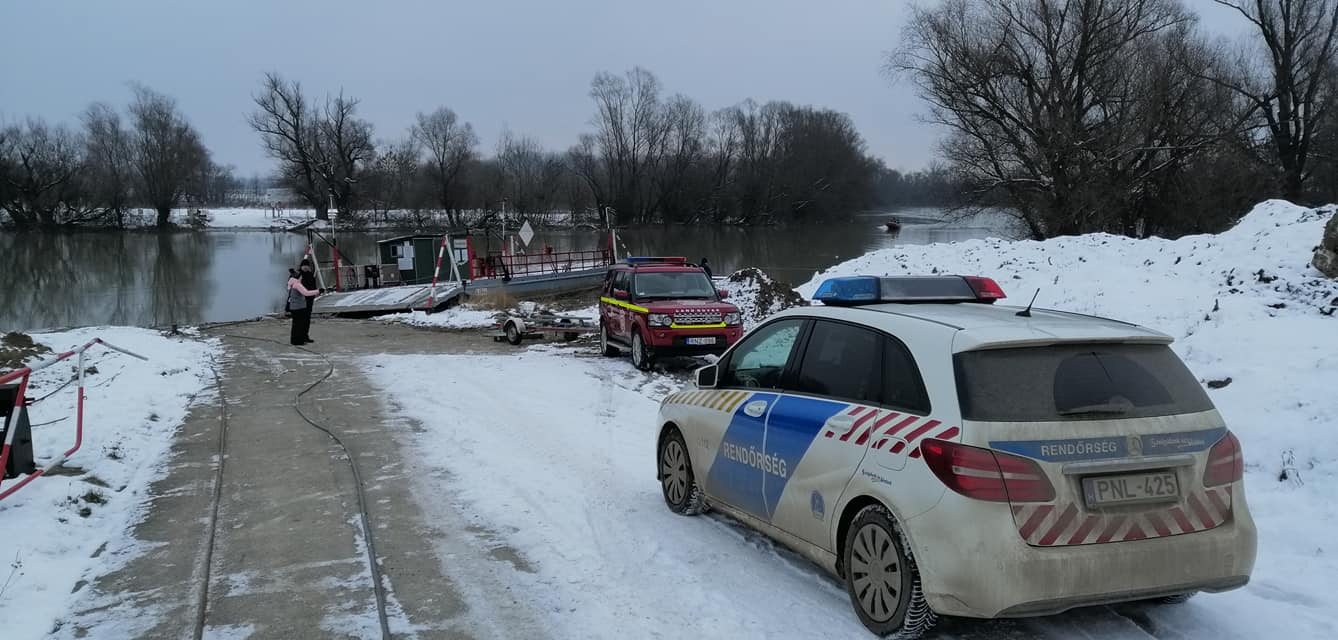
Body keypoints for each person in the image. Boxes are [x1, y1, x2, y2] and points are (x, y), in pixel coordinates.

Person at [287, 262, 319, 346]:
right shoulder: (297, 276)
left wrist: (314, 295)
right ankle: (298, 338)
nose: (305, 268)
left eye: (307, 266)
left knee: (306, 320)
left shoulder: (310, 275)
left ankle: (305, 336)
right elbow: (294, 288)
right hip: (300, 301)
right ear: (301, 267)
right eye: (304, 266)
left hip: (309, 300)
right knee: (299, 322)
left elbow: (313, 286)